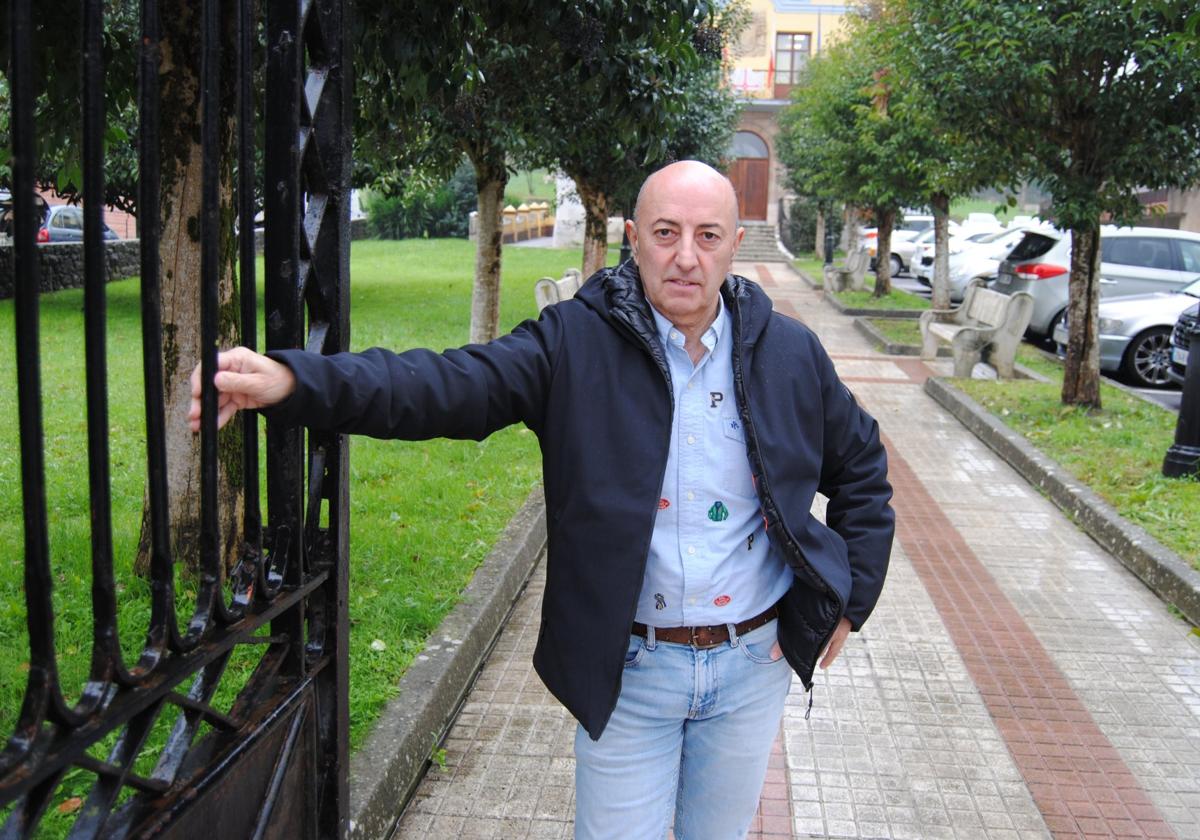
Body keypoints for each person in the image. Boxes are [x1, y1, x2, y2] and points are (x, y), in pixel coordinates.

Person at [189, 160, 894, 839]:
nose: (686, 257)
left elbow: (861, 463)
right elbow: (446, 387)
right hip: (632, 673)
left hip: (750, 667)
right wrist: (294, 382)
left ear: (734, 245)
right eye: (665, 232)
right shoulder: (575, 342)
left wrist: (852, 597)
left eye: (708, 236)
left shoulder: (789, 353)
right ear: (632, 236)